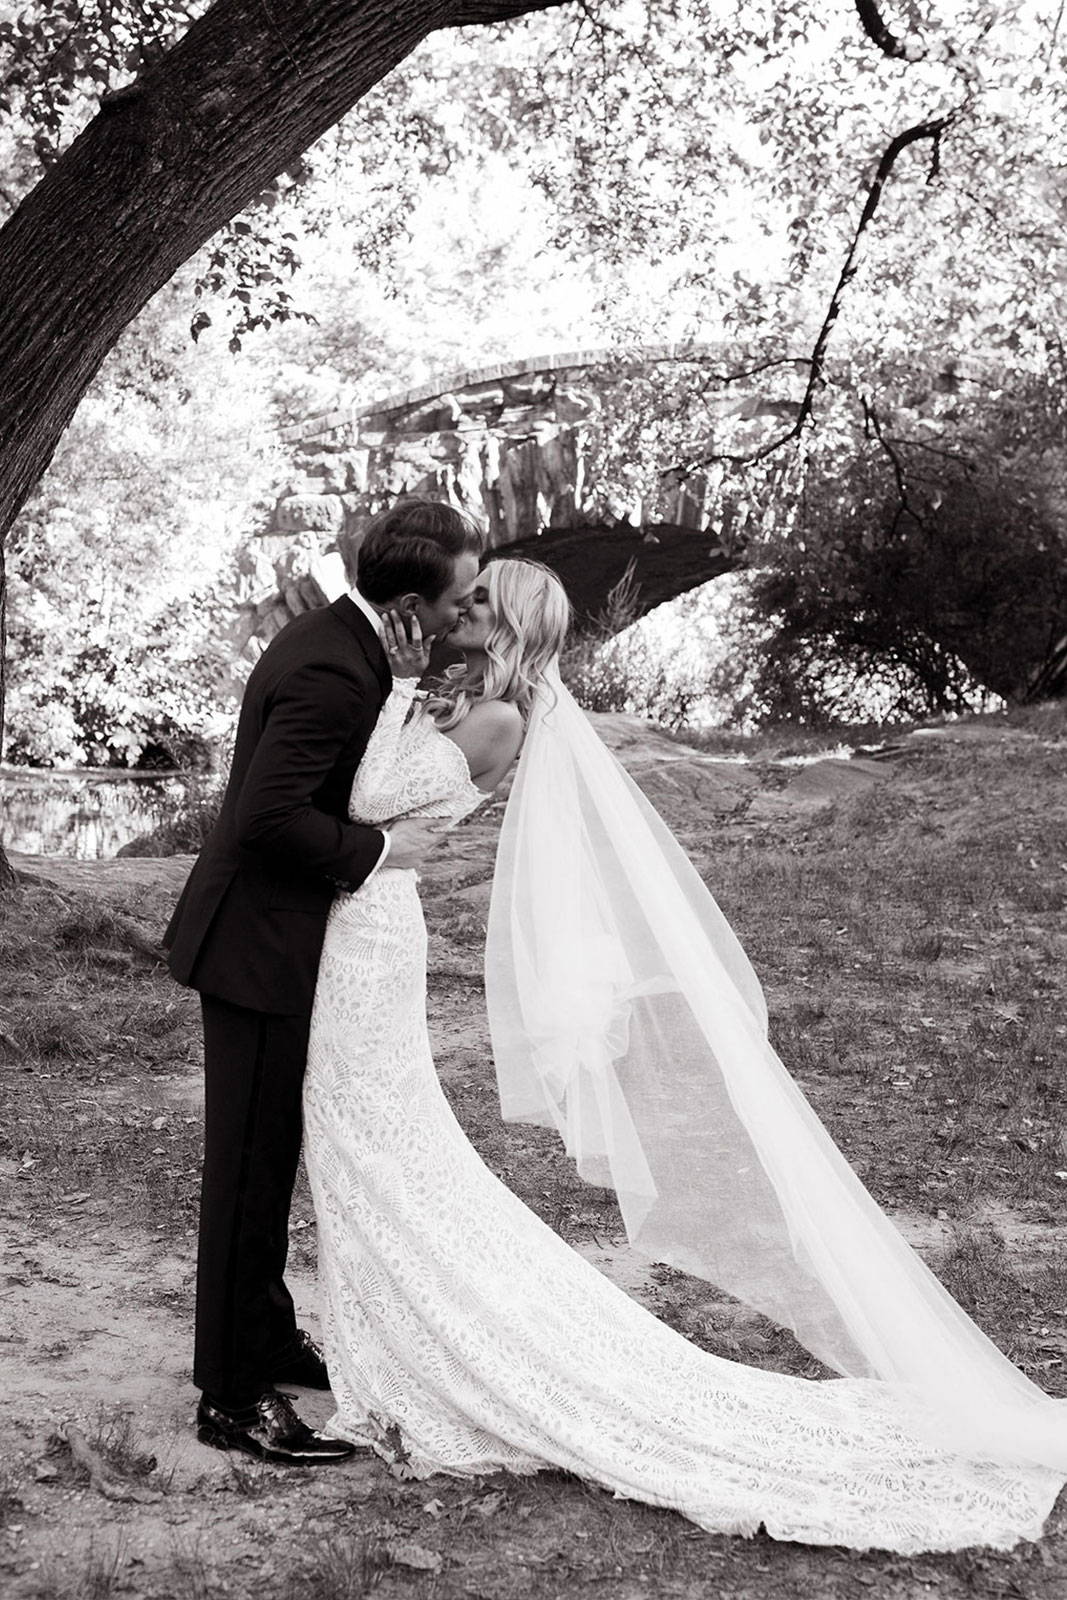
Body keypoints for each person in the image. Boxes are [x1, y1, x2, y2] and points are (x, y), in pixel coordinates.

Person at [302, 555, 1066, 1552]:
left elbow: (363, 800)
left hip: (369, 933)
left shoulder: (495, 720)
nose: (462, 605)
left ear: (513, 626)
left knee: (378, 1143)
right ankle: (395, 1335)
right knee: (366, 1144)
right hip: (356, 925)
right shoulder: (474, 703)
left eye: (481, 598)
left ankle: (443, 1346)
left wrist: (395, 687)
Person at [164, 497, 482, 1464]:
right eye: (463, 588)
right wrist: (385, 848)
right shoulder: (329, 667)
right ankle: (232, 1398)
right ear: (417, 596)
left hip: (277, 940)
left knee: (269, 1159)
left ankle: (263, 1337)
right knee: (249, 1177)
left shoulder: (346, 645)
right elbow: (264, 819)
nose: (470, 599)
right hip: (257, 948)